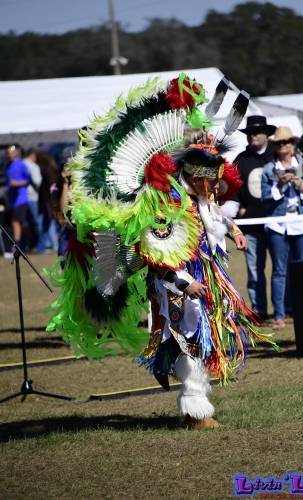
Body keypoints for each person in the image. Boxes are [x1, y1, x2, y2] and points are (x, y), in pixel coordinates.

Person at [48, 74, 277, 429]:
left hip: (208, 276)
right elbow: (155, 252)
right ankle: (196, 409)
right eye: (208, 181)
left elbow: (210, 215)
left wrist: (233, 231)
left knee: (204, 336)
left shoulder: (198, 197)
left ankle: (195, 406)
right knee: (187, 336)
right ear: (193, 175)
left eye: (215, 182)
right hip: (177, 284)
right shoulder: (165, 202)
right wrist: (185, 284)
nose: (213, 187)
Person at [261, 126, 303, 329]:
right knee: (279, 271)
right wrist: (279, 185)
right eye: (279, 143)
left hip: (302, 224)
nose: (283, 146)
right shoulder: (269, 169)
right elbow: (265, 199)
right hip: (278, 225)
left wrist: (301, 185)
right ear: (275, 146)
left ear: (293, 144)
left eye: (287, 142)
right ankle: (279, 315)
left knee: (302, 269)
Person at [234, 115, 277, 320]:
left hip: (278, 224)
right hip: (251, 227)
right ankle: (259, 311)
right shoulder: (241, 160)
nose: (252, 136)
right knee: (254, 271)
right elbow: (230, 188)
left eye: (257, 132)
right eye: (250, 133)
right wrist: (239, 208)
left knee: (281, 270)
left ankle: (285, 310)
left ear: (267, 134)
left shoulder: (277, 154)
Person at [5, 145, 31, 251]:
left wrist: (17, 183)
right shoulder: (8, 166)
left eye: (11, 152)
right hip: (12, 200)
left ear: (15, 153)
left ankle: (17, 245)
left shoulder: (21, 165)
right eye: (8, 153)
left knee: (16, 221)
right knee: (19, 223)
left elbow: (28, 180)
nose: (9, 155)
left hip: (21, 199)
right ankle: (24, 244)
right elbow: (8, 183)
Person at [23, 148, 42, 250]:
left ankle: (26, 245)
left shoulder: (20, 164)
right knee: (36, 222)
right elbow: (37, 181)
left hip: (21, 197)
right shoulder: (33, 166)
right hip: (32, 196)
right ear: (32, 155)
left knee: (25, 224)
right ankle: (38, 246)